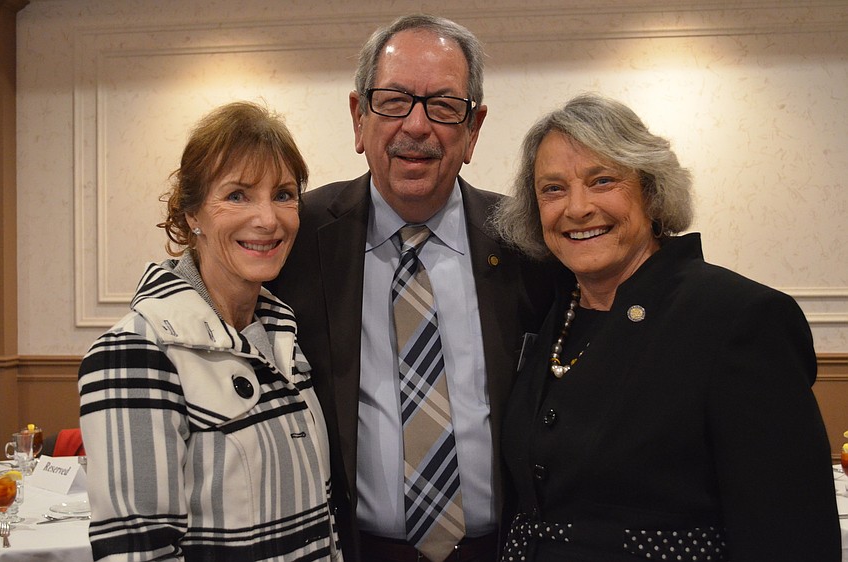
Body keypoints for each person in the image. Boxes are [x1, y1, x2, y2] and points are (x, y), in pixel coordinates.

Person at [492, 93, 842, 561]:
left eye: (602, 181)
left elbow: (792, 535)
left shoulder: (739, 319)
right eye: (552, 189)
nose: (576, 208)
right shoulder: (552, 313)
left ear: (652, 192)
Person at [266, 14, 554, 562]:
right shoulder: (297, 236)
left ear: (473, 129)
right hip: (350, 550)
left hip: (502, 551)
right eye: (394, 100)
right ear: (358, 117)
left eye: (444, 106)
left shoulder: (528, 242)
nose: (417, 127)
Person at [78, 101, 342, 561]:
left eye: (283, 194)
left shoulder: (283, 335)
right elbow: (140, 553)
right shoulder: (135, 352)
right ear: (192, 213)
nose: (268, 219)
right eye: (238, 195)